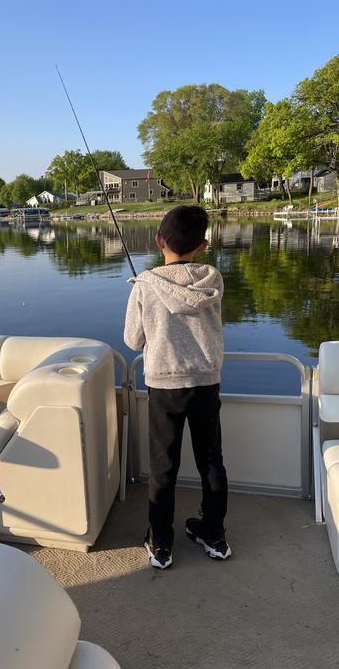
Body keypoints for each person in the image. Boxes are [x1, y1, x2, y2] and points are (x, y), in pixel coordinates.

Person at [124, 205, 230, 569]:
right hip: (206, 382)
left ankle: (161, 543)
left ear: (158, 240)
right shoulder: (213, 278)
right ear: (202, 245)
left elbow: (133, 340)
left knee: (163, 466)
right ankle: (214, 535)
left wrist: (143, 291)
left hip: (165, 387)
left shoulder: (145, 284)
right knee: (211, 461)